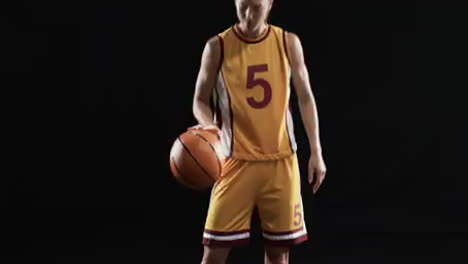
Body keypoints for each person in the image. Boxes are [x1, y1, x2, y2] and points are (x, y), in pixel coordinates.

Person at [191, 0, 326, 263]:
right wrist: (209, 126)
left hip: (280, 162)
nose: (250, 14)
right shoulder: (217, 46)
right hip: (233, 161)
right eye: (244, 7)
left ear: (270, 4)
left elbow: (306, 97)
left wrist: (316, 151)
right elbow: (199, 100)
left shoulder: (287, 42)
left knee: (278, 255)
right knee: (213, 254)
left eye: (256, 7)